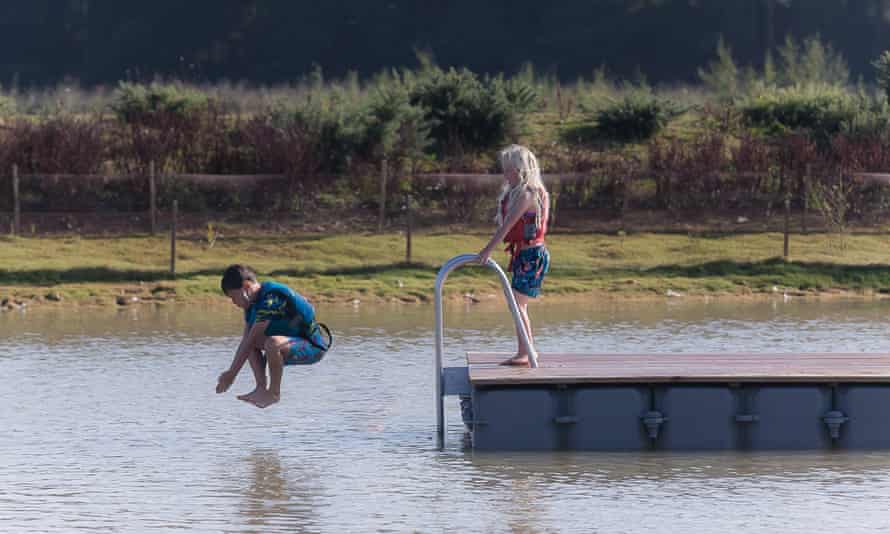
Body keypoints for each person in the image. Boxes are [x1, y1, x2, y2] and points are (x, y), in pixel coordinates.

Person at [215, 264, 331, 408]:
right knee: (251, 344)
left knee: (272, 342)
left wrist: (232, 374)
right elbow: (247, 341)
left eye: (233, 296)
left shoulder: (271, 298)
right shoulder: (251, 305)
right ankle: (261, 388)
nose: (233, 302)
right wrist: (231, 372)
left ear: (246, 287)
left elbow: (251, 340)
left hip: (313, 348)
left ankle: (274, 393)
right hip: (290, 343)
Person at [478, 144, 550, 367]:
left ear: (521, 169)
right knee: (517, 305)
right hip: (524, 255)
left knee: (518, 305)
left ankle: (526, 353)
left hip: (532, 256)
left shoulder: (528, 194)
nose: (505, 174)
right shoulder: (522, 192)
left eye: (509, 169)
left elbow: (508, 226)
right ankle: (526, 351)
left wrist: (486, 250)